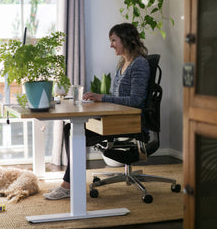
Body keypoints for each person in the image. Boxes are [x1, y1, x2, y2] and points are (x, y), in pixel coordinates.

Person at [43, 22, 150, 200]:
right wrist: (96, 99)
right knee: (70, 128)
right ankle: (70, 182)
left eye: (113, 40)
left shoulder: (139, 64)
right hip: (116, 117)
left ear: (125, 39)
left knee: (74, 131)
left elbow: (136, 101)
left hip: (129, 121)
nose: (111, 45)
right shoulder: (122, 63)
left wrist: (102, 97)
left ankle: (69, 185)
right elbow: (118, 97)